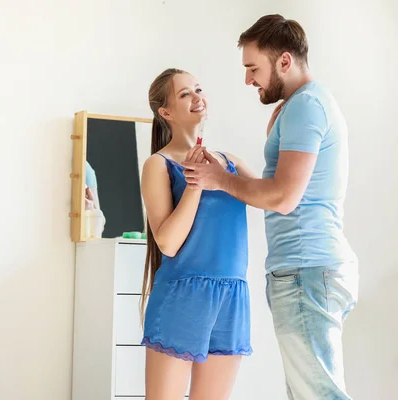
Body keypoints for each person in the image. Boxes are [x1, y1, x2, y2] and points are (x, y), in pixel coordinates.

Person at [182, 14, 359, 400]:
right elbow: (279, 185)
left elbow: (283, 197)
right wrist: (225, 171)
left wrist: (217, 180)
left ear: (284, 61)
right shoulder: (302, 105)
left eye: (252, 68)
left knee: (319, 394)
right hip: (308, 269)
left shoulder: (307, 106)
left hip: (306, 270)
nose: (248, 80)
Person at [140, 68, 256, 400]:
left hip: (232, 297)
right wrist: (195, 181)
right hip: (183, 295)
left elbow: (274, 199)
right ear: (166, 113)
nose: (196, 97)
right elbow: (168, 242)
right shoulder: (158, 165)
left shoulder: (229, 162)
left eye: (198, 89)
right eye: (184, 94)